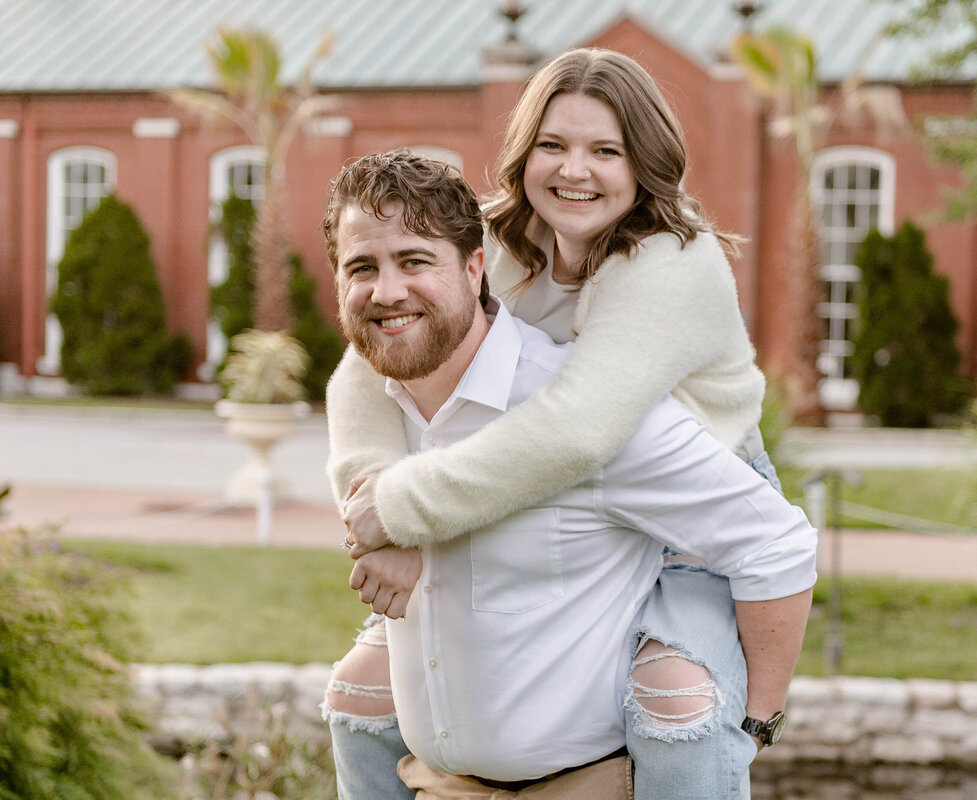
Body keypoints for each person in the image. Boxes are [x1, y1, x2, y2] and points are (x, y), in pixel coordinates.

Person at [322, 48, 809, 798]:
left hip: (694, 498)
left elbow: (581, 431)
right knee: (363, 692)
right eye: (553, 145)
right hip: (563, 486)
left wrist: (399, 511)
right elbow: (364, 364)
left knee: (676, 704)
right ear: (523, 154)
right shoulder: (500, 240)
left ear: (644, 162)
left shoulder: (671, 262)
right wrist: (375, 508)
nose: (573, 170)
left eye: (604, 150)